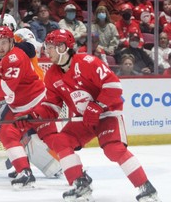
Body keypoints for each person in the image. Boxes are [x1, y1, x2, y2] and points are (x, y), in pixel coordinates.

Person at [13, 29, 161, 202]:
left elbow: (114, 86)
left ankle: (146, 188)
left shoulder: (87, 62)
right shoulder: (52, 75)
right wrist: (32, 116)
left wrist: (97, 106)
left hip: (107, 114)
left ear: (63, 47)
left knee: (114, 150)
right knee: (61, 141)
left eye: (51, 47)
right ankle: (80, 184)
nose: (47, 51)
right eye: (47, 47)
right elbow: (51, 106)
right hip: (84, 119)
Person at [0, 26, 60, 188]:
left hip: (36, 102)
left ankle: (76, 171)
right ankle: (25, 172)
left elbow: (6, 88)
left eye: (4, 43)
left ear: (11, 42)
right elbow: (3, 93)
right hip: (18, 105)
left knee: (49, 137)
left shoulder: (15, 57)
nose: (0, 47)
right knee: (7, 134)